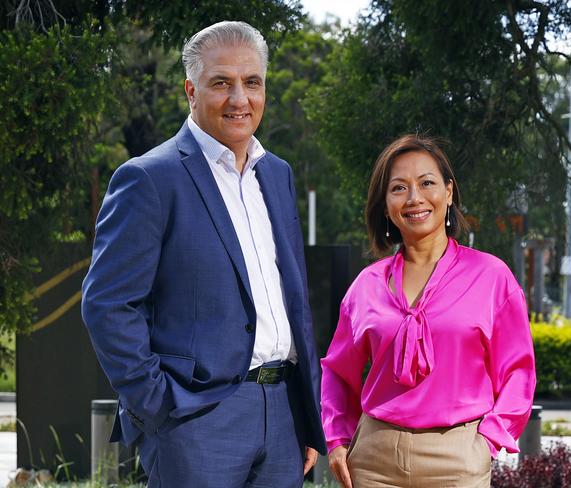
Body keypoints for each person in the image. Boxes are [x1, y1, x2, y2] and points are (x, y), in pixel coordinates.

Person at [82, 20, 326, 488]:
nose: (239, 99)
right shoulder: (149, 179)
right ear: (191, 91)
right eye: (221, 83)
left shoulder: (277, 174)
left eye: (252, 82)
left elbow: (293, 301)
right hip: (196, 419)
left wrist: (306, 411)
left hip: (283, 415)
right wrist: (158, 405)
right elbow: (107, 305)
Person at [321, 134, 536, 488]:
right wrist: (338, 440)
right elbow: (337, 372)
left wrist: (488, 441)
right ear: (386, 204)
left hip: (458, 459)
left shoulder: (492, 276)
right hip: (375, 462)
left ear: (449, 192)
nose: (414, 198)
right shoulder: (366, 285)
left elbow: (518, 371)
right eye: (399, 188)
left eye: (427, 183)